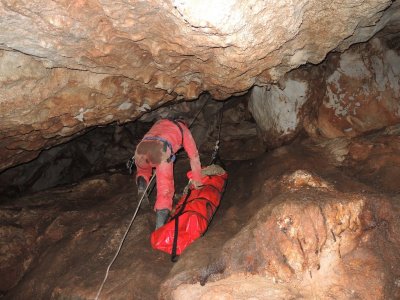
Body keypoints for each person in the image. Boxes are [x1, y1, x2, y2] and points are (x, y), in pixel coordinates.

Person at [134, 118, 203, 229]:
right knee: (165, 190)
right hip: (160, 149)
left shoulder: (160, 122)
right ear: (184, 123)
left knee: (143, 170)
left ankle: (142, 188)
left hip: (140, 149)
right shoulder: (183, 129)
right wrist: (197, 179)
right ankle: (159, 226)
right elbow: (194, 156)